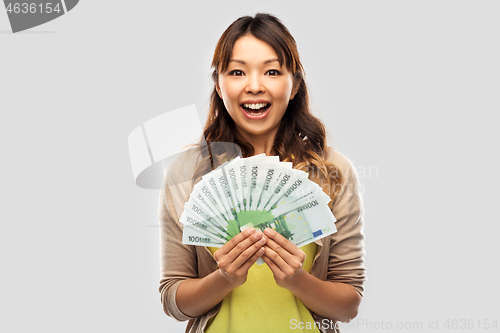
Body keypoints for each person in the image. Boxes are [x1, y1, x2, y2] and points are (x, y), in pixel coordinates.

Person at [158, 13, 366, 333]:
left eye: (272, 71)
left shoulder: (334, 172)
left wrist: (296, 280)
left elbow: (349, 303)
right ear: (219, 83)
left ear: (294, 84)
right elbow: (174, 300)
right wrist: (224, 278)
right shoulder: (185, 173)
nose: (254, 86)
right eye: (237, 72)